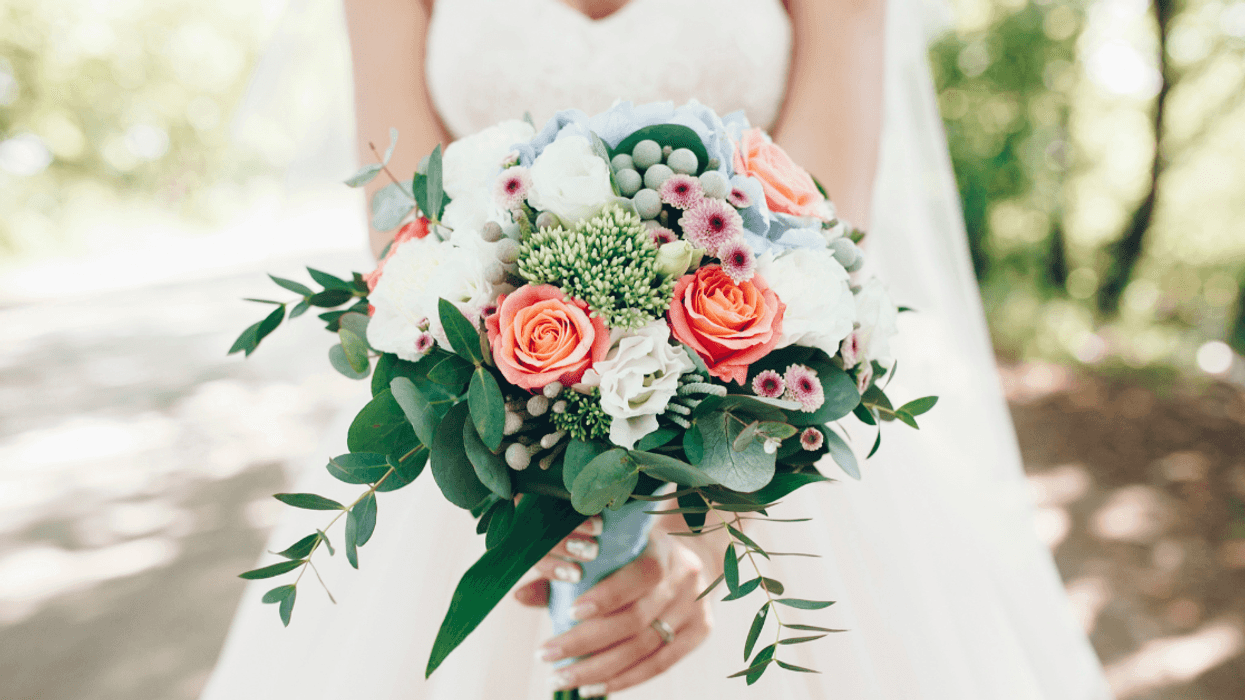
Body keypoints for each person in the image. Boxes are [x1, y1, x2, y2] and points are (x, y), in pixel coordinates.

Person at [203, 0, 1114, 698]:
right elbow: (405, 228)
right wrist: (548, 494)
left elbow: (828, 230)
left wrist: (700, 526)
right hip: (488, 433)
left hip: (764, 423)